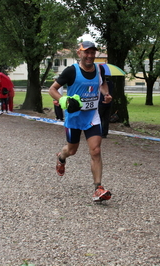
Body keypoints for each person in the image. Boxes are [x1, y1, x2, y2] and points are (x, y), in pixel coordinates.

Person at [48, 41, 113, 202]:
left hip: (92, 117)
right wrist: (64, 101)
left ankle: (98, 188)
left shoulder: (100, 69)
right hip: (74, 119)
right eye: (86, 52)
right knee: (71, 151)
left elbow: (102, 83)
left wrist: (106, 94)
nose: (90, 55)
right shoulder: (71, 71)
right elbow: (52, 89)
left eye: (92, 52)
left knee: (96, 150)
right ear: (79, 53)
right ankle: (61, 158)